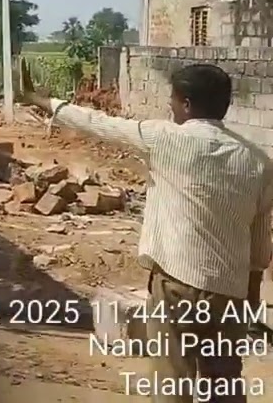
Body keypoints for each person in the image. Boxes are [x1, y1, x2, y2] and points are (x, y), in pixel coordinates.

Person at [19, 62, 273, 403]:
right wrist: (251, 294)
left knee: (171, 379)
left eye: (172, 99)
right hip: (229, 291)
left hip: (173, 286)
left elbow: (100, 124)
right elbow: (259, 236)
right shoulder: (257, 160)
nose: (169, 106)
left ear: (186, 104)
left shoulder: (164, 139)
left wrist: (45, 102)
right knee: (225, 380)